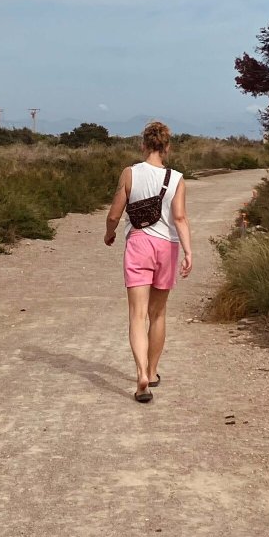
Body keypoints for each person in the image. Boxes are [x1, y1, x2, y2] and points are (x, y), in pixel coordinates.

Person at [104, 121, 192, 403]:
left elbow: (115, 214)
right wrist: (188, 252)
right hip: (167, 247)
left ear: (143, 145)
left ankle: (141, 373)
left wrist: (109, 234)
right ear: (167, 147)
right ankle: (153, 371)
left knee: (137, 315)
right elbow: (179, 218)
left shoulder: (130, 173)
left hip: (139, 244)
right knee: (158, 314)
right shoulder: (177, 178)